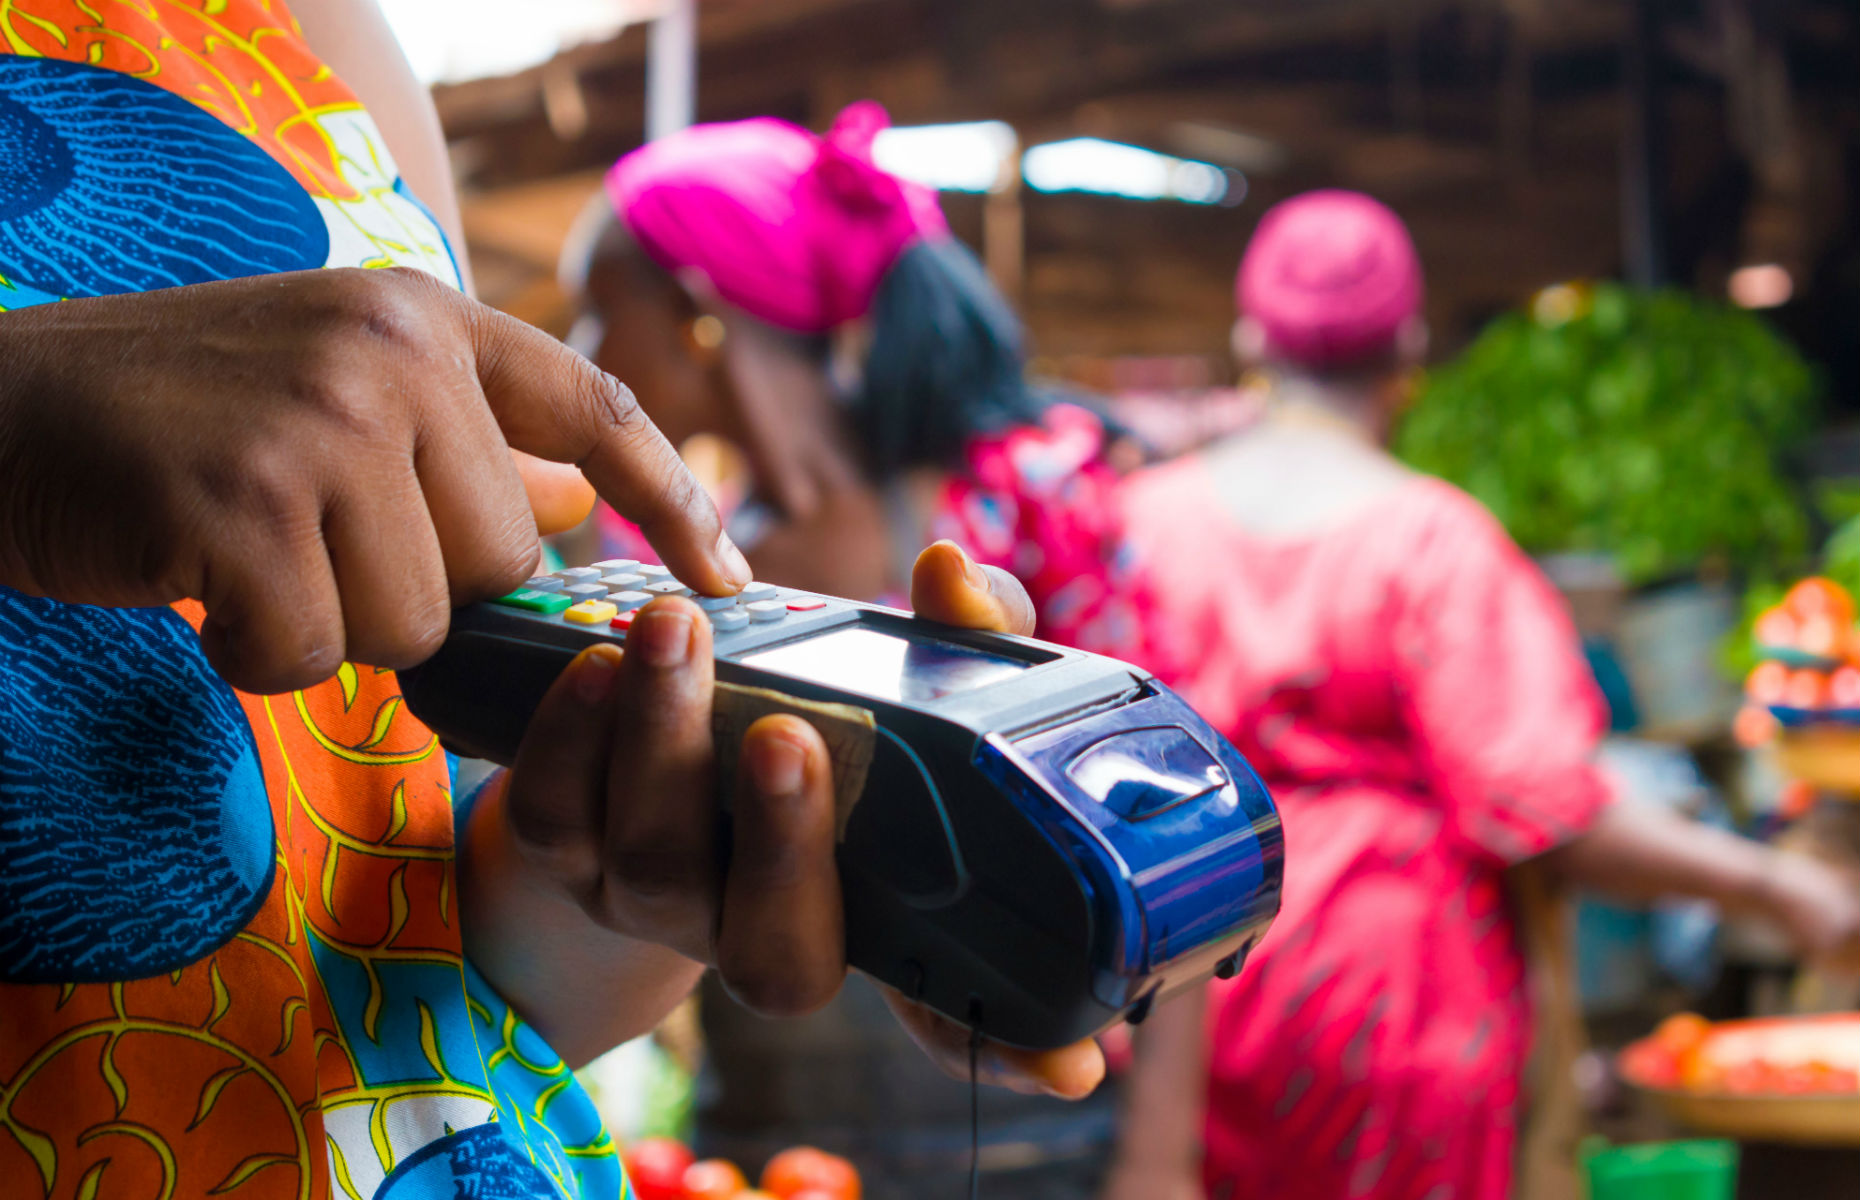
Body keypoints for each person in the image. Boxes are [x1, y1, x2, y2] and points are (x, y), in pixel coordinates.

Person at [0, 5, 1099, 1195]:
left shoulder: (329, 41)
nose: (569, 342)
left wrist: (600, 878)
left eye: (599, 305)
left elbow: (428, 966)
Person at [1098, 190, 1860, 1200]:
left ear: (1251, 335)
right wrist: (1779, 885)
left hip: (1184, 983)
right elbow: (1539, 813)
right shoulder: (1434, 540)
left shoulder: (1132, 525)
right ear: (1409, 349)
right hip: (1395, 1011)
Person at [564, 105, 1147, 1197]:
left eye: (603, 313)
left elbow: (1160, 807)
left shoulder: (1035, 499)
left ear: (698, 315)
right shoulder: (696, 570)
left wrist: (1161, 1159)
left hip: (1041, 1135)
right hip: (774, 1137)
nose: (581, 355)